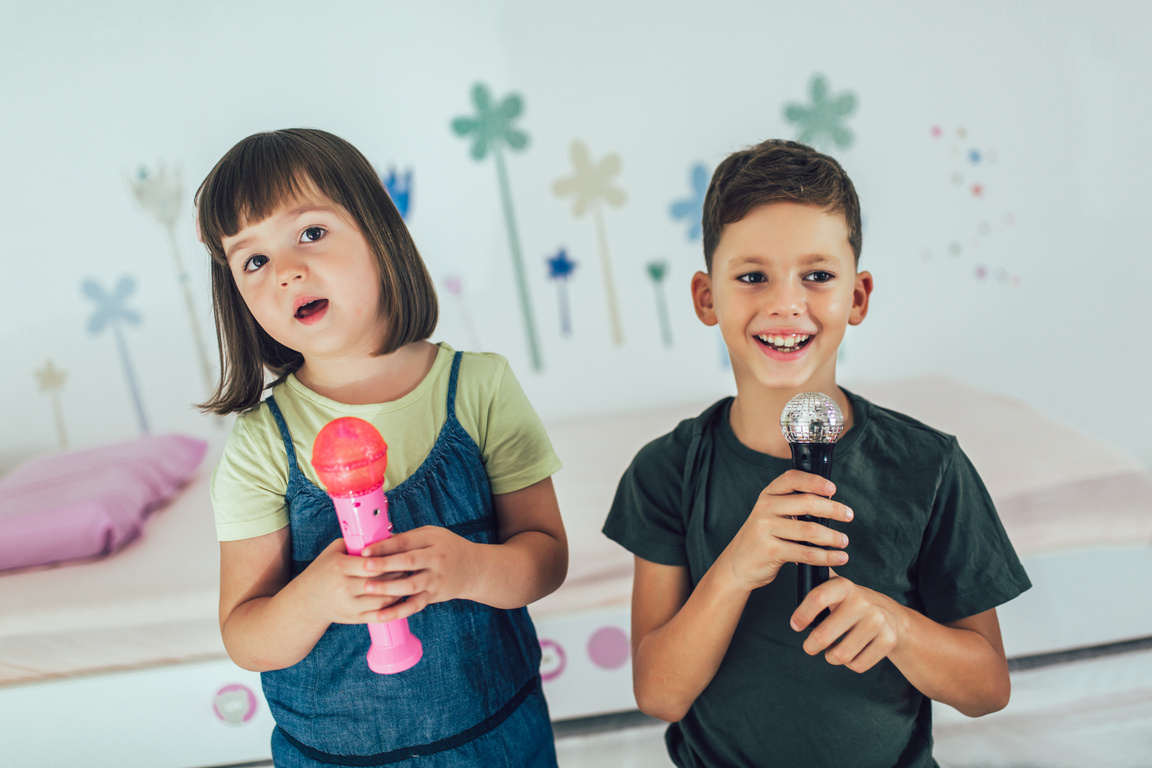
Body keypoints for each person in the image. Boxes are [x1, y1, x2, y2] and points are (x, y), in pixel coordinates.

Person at [602, 139, 1030, 768]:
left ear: (857, 297)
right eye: (752, 277)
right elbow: (660, 694)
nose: (784, 304)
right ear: (706, 297)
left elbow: (988, 688)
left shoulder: (929, 466)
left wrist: (897, 626)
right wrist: (738, 565)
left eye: (818, 276)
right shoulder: (664, 472)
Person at [196, 128, 567, 767]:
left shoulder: (478, 388)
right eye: (252, 260)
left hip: (498, 737)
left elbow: (546, 559)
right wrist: (315, 596)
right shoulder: (263, 446)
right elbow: (247, 636)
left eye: (310, 232)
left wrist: (471, 568)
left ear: (378, 232)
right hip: (336, 756)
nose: (286, 270)